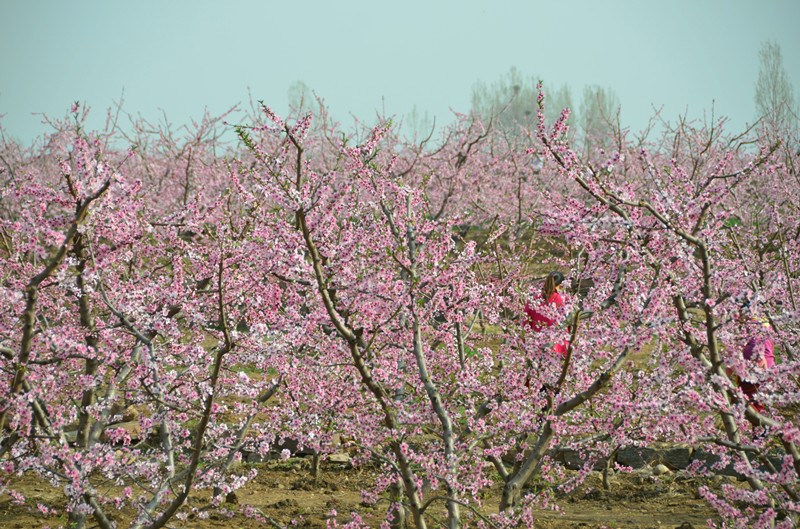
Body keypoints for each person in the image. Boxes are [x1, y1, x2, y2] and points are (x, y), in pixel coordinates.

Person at [524, 271, 569, 355]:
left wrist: (526, 339)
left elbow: (525, 320)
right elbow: (568, 322)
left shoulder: (534, 299)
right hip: (557, 345)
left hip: (536, 343)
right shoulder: (562, 300)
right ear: (561, 285)